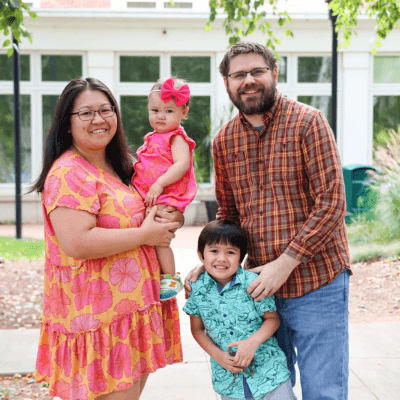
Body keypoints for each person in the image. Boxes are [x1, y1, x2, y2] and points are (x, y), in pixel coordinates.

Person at [185, 41, 351, 400]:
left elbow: (332, 202)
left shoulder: (308, 122)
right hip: (258, 292)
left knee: (325, 391)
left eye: (257, 71)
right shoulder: (225, 141)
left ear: (274, 74)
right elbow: (228, 214)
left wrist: (286, 262)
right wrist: (211, 262)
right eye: (238, 74)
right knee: (267, 390)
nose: (248, 80)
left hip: (317, 282)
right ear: (227, 84)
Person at [30, 77, 184, 400]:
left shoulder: (122, 166)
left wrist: (172, 218)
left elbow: (151, 208)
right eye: (85, 113)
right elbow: (77, 242)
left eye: (105, 109)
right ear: (67, 125)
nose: (98, 119)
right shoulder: (68, 172)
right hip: (99, 323)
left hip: (131, 315)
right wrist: (145, 234)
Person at [184, 220, 296, 400]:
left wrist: (253, 342)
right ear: (201, 255)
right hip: (229, 379)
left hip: (269, 372)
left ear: (241, 257)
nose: (221, 258)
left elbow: (272, 319)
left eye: (230, 252)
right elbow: (197, 330)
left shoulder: (254, 283)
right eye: (214, 251)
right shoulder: (197, 289)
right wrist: (218, 356)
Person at [132, 77, 196, 301]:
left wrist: (159, 184)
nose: (160, 116)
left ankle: (170, 277)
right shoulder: (152, 137)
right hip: (152, 194)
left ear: (183, 113)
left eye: (169, 111)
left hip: (167, 195)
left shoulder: (176, 137)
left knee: (160, 238)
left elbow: (182, 164)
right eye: (155, 110)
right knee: (151, 233)